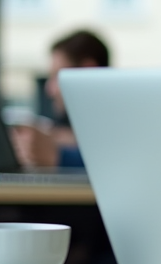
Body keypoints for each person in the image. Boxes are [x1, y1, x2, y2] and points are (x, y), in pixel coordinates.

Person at [11, 29, 110, 170]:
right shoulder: (72, 127)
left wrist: (56, 155)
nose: (50, 89)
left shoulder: (119, 133)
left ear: (88, 70)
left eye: (57, 75)